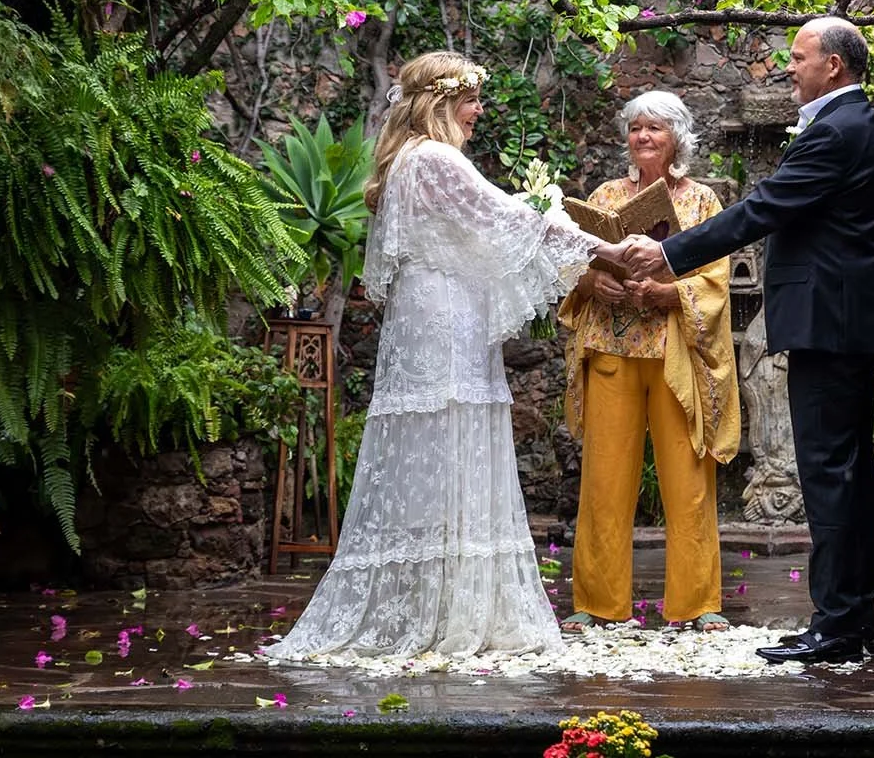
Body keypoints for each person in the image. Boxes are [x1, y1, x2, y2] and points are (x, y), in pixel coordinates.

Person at [266, 51, 630, 662]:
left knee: (437, 440)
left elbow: (481, 228)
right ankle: (451, 610)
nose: (480, 111)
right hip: (444, 315)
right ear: (441, 101)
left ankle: (436, 601)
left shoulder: (406, 161)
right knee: (451, 430)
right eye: (472, 100)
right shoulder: (434, 158)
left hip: (429, 307)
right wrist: (611, 248)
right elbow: (510, 219)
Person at [622, 17, 874, 664]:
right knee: (850, 479)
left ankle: (837, 628)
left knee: (831, 477)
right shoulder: (855, 125)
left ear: (833, 66)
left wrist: (668, 253)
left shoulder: (837, 130)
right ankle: (854, 622)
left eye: (799, 58)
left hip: (829, 325)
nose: (790, 68)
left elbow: (763, 208)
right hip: (847, 323)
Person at [555, 91, 740, 635]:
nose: (643, 138)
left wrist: (669, 294)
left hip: (674, 355)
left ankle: (698, 604)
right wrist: (596, 282)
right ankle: (596, 603)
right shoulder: (606, 195)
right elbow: (570, 264)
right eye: (635, 128)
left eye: (655, 129)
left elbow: (716, 279)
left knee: (689, 480)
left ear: (677, 137)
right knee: (604, 481)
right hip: (612, 349)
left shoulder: (702, 201)